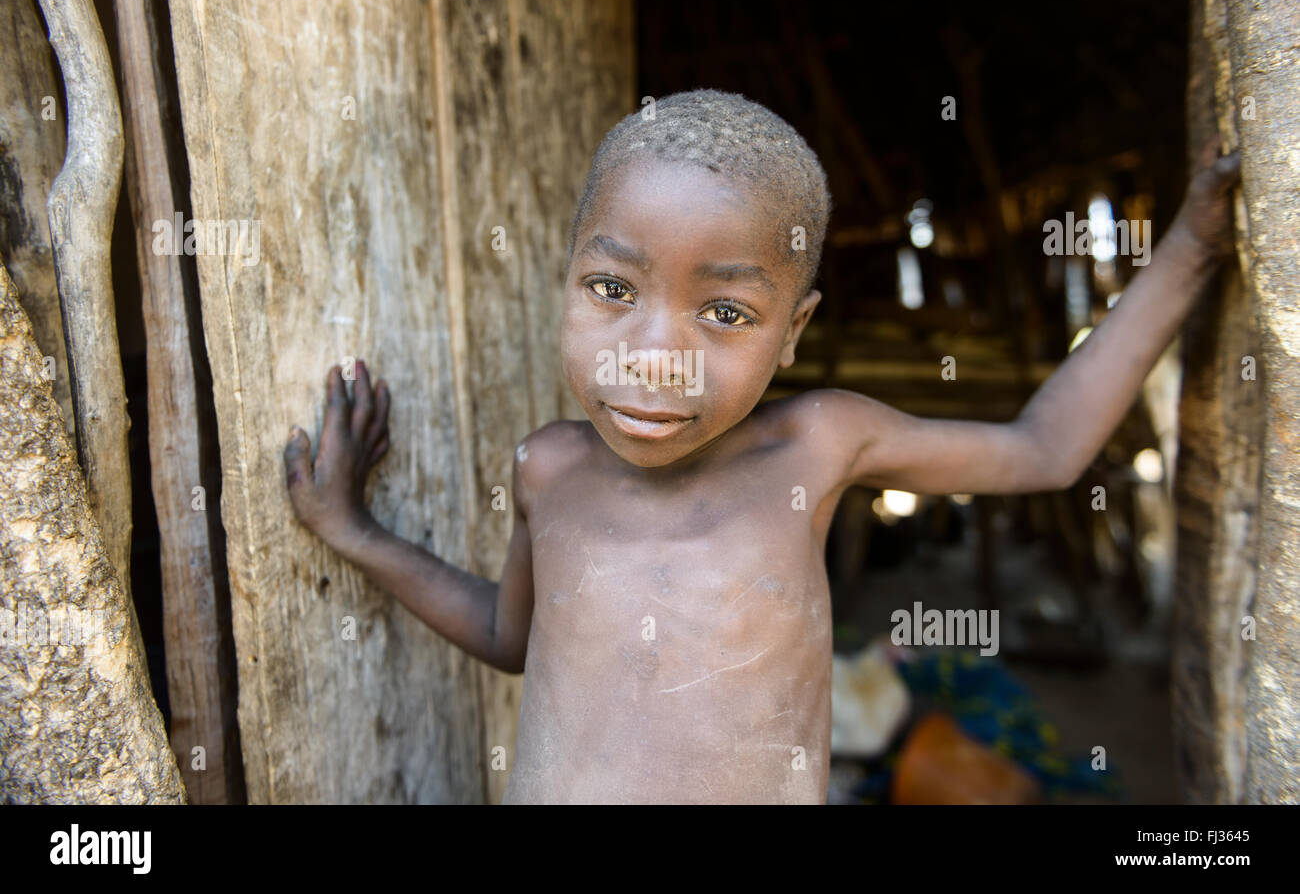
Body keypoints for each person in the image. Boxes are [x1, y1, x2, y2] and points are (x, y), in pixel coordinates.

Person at [282, 89, 1241, 803]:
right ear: (567, 280)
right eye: (613, 289)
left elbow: (1044, 449)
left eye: (726, 310)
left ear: (793, 330)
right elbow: (508, 636)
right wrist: (355, 530)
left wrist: (1191, 251)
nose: (657, 359)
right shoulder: (549, 469)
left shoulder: (818, 446)